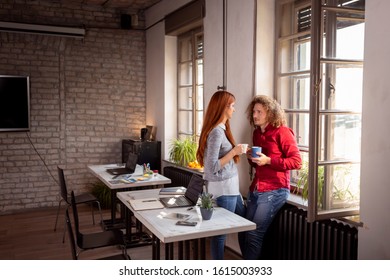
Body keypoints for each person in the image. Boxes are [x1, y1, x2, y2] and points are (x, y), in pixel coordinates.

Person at [239, 95, 302, 260]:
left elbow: (296, 161)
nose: (255, 115)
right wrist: (251, 159)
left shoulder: (283, 132)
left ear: (271, 113)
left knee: (253, 235)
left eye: (259, 112)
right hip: (256, 189)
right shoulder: (257, 133)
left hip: (275, 190)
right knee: (244, 231)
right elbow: (258, 165)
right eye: (254, 111)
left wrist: (268, 160)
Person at [196, 90, 245, 260]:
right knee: (220, 234)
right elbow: (211, 168)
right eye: (232, 106)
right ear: (223, 108)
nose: (234, 109)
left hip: (231, 189)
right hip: (224, 190)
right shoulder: (217, 132)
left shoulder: (221, 129)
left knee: (245, 221)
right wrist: (234, 152)